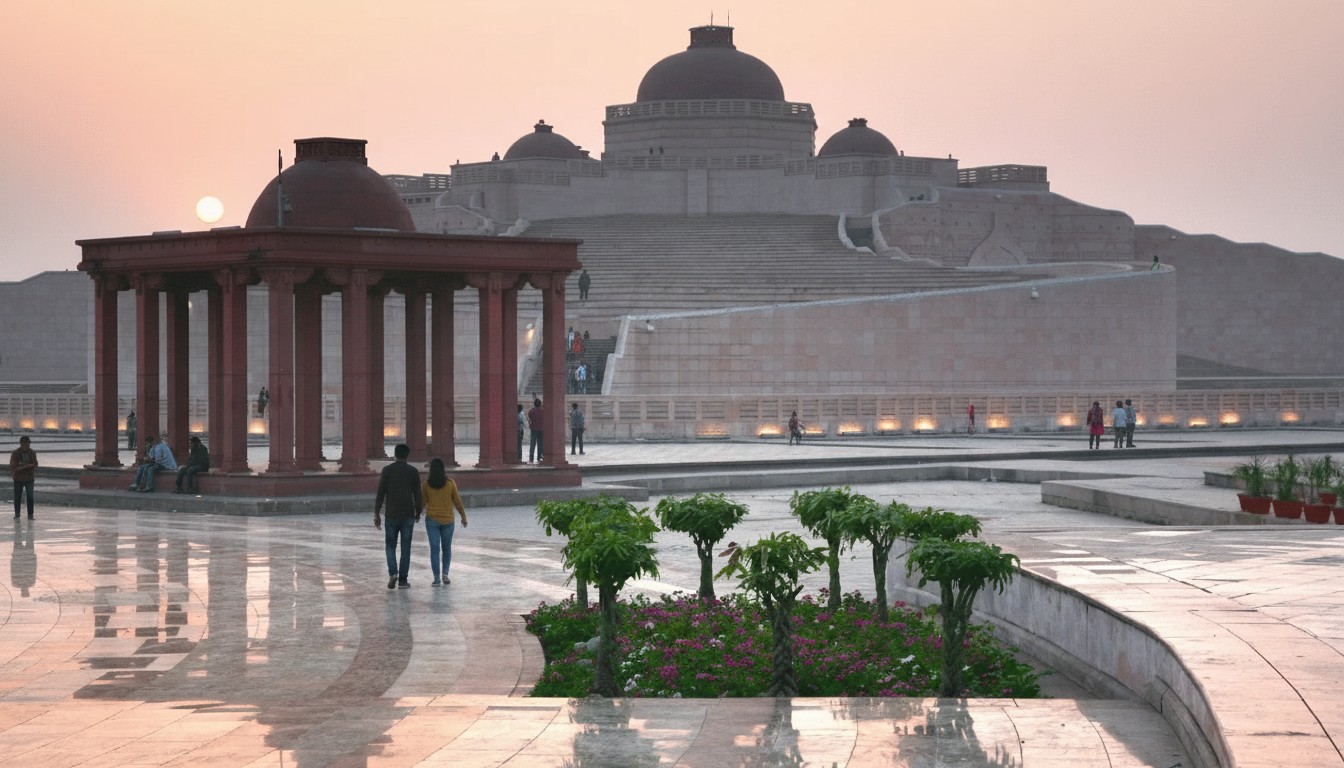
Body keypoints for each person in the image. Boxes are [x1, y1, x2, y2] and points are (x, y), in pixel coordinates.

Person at [374, 443, 422, 590]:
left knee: (390, 546)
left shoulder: (387, 470)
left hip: (391, 514)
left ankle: (393, 573)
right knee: (405, 548)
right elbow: (417, 494)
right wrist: (418, 512)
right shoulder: (413, 471)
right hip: (407, 514)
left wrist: (377, 513)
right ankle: (403, 581)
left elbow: (381, 493)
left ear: (395, 455)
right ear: (407, 455)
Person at [421, 457, 467, 586]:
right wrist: (463, 517)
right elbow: (458, 501)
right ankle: (445, 575)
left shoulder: (426, 485)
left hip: (432, 520)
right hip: (448, 521)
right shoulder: (450, 483)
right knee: (446, 548)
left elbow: (422, 502)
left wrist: (416, 515)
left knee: (434, 549)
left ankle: (436, 578)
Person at [10, 436, 38, 520]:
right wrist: (24, 467)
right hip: (18, 478)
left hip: (29, 478)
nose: (27, 445)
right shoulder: (15, 453)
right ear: (21, 444)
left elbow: (35, 464)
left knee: (30, 496)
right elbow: (13, 466)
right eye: (26, 443)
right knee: (17, 497)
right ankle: (17, 514)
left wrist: (25, 466)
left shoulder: (32, 453)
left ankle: (30, 515)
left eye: (28, 443)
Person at [527, 397, 544, 463]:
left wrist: (530, 425)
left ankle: (531, 459)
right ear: (540, 404)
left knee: (532, 445)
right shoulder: (543, 411)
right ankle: (539, 458)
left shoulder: (531, 411)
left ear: (534, 404)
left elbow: (530, 420)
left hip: (534, 429)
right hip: (541, 429)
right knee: (540, 445)